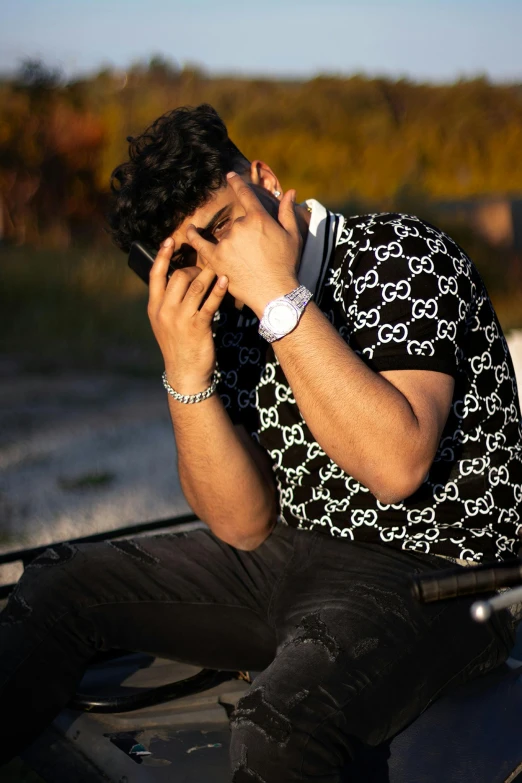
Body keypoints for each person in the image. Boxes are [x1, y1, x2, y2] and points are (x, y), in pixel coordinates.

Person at [1, 103, 521, 781]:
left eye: (224, 225)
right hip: (297, 558)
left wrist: (280, 299)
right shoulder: (230, 313)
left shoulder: (403, 254)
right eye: (194, 253)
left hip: (441, 574)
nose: (221, 264)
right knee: (57, 585)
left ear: (266, 182)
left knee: (279, 724)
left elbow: (397, 463)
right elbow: (242, 523)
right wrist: (186, 374)